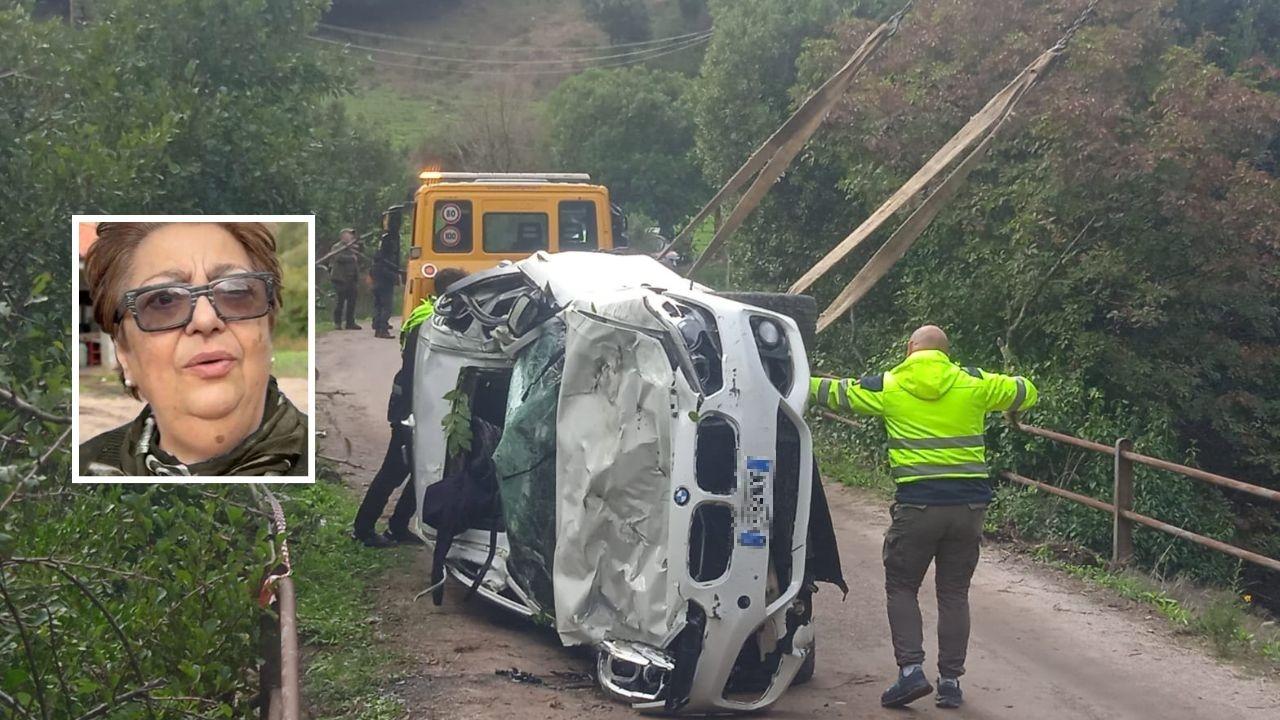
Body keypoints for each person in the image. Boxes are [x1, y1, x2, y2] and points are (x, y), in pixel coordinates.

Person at [811, 325, 1037, 709]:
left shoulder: (889, 384)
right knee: (953, 593)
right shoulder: (973, 383)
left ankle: (910, 672)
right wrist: (993, 380)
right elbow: (1025, 390)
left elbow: (834, 392)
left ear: (909, 349)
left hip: (917, 508)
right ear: (947, 354)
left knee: (902, 587)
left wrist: (791, 371)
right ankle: (950, 681)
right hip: (968, 510)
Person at [79, 222, 308, 476]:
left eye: (236, 291)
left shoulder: (339, 463)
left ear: (268, 326)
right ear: (124, 353)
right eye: (164, 300)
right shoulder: (74, 472)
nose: (206, 320)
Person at [353, 267, 469, 547]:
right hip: (411, 406)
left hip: (420, 403)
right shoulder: (430, 322)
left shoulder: (435, 316)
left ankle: (398, 526)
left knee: (423, 469)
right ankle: (363, 529)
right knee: (395, 469)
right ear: (451, 292)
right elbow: (420, 369)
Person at [329, 228, 361, 330]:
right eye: (349, 234)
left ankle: (350, 322)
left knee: (352, 302)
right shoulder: (337, 247)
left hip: (351, 279)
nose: (351, 236)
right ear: (343, 236)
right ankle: (337, 323)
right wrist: (352, 258)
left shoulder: (352, 248)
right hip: (340, 279)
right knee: (340, 302)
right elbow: (338, 258)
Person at [370, 245, 399, 339]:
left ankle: (377, 329)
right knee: (386, 308)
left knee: (378, 307)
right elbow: (390, 276)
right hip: (385, 288)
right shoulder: (384, 266)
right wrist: (396, 278)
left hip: (376, 287)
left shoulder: (374, 266)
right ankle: (383, 330)